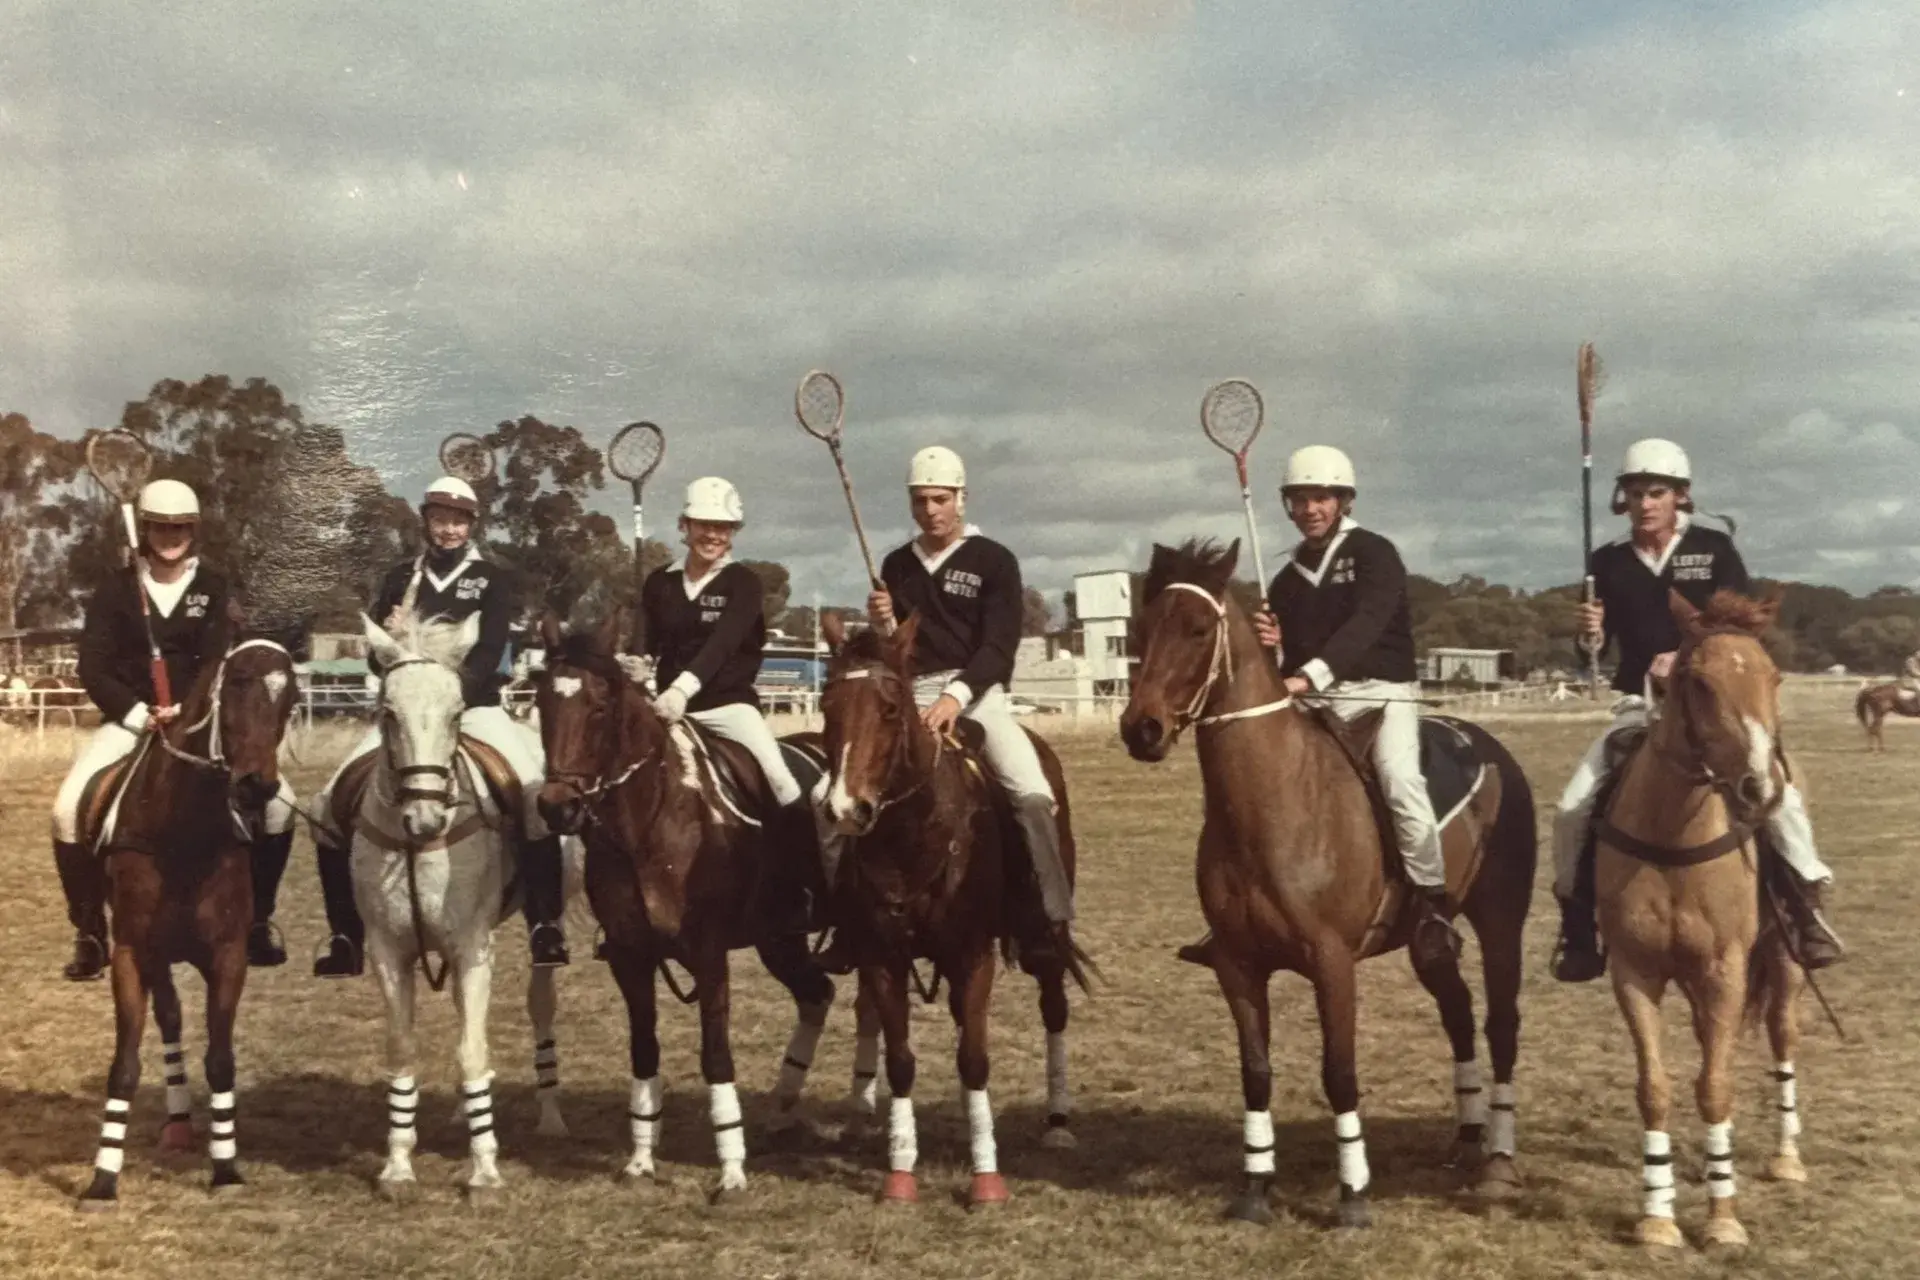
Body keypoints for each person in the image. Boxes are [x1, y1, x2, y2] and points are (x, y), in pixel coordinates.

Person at [1551, 438, 1843, 981]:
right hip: (1641, 703)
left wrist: (1684, 656)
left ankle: (1806, 907)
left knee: (1775, 792)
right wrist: (1589, 637)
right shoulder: (1608, 561)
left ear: (1681, 496)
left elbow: (1739, 625)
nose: (1644, 503)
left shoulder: (1713, 548)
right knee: (1573, 806)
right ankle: (1576, 924)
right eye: (1635, 493)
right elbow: (1593, 655)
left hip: (1715, 706)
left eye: (1656, 492)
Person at [1181, 445, 1456, 968]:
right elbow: (1286, 658)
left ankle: (1431, 904)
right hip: (1315, 699)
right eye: (1300, 499)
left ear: (1343, 501)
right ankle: (1236, 913)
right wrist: (1275, 646)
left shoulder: (1375, 553)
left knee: (1400, 781)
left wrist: (1309, 674)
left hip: (1380, 693)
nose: (1310, 509)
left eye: (1322, 498)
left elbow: (1367, 624)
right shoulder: (1285, 578)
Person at [308, 475, 568, 977]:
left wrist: (448, 696)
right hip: (407, 715)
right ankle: (345, 936)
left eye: (458, 520)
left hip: (476, 708)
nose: (447, 529)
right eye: (439, 519)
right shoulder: (400, 577)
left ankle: (545, 923)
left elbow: (492, 648)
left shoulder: (491, 578)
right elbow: (375, 662)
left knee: (534, 802)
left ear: (471, 524)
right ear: (426, 521)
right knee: (325, 804)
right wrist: (393, 640)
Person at [832, 445, 1072, 960]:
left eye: (940, 499)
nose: (931, 510)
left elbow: (998, 646)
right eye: (920, 501)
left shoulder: (994, 561)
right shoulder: (897, 564)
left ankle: (1048, 917)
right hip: (907, 695)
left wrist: (953, 697)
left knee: (1031, 795)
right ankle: (846, 922)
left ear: (961, 499)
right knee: (848, 793)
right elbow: (895, 650)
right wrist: (881, 621)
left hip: (976, 695)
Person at [51, 478, 297, 979]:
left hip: (200, 724)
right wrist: (140, 712)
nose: (171, 537)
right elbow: (93, 667)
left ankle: (259, 922)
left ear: (194, 530)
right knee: (65, 811)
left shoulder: (213, 585)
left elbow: (215, 659)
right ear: (145, 529)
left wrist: (188, 710)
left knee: (278, 809)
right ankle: (90, 931)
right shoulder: (116, 589)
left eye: (181, 527)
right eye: (161, 527)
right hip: (132, 723)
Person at [632, 478, 812, 921]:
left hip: (729, 707)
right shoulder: (660, 583)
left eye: (724, 527)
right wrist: (634, 664)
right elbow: (647, 642)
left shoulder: (743, 583)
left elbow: (724, 645)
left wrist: (681, 689)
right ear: (685, 525)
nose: (714, 535)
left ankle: (803, 889)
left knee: (783, 782)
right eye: (704, 525)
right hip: (668, 712)